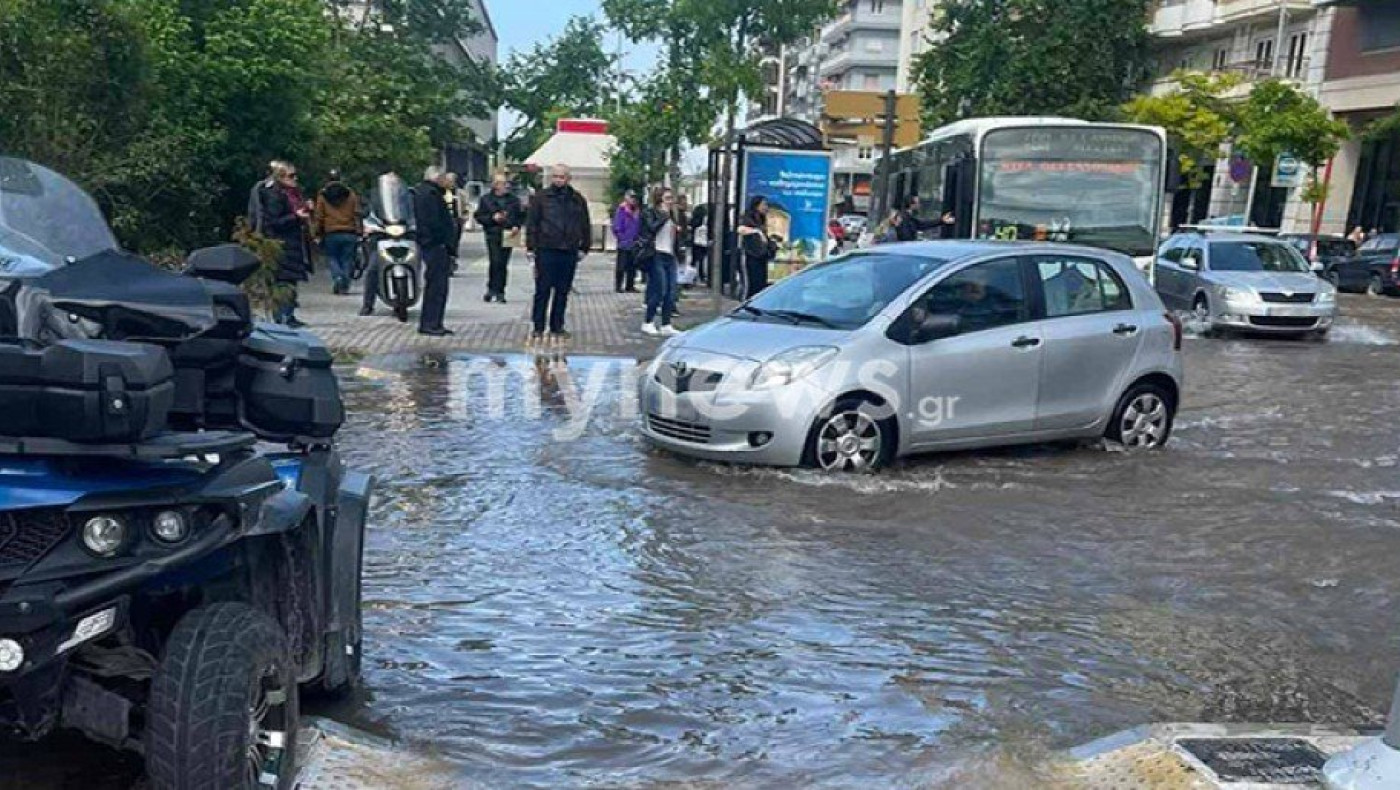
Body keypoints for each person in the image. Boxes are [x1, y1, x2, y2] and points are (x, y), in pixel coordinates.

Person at [526, 163, 591, 342]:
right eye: (555, 176)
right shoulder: (541, 198)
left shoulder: (577, 199)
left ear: (568, 178)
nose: (558, 180)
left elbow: (585, 224)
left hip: (569, 250)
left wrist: (585, 246)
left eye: (561, 177)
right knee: (542, 290)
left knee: (562, 291)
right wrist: (531, 247)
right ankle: (538, 326)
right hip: (546, 249)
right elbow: (532, 223)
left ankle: (557, 325)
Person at [262, 162, 311, 327]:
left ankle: (288, 315)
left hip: (292, 243)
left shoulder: (292, 194)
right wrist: (296, 216)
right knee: (282, 281)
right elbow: (274, 222)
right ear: (280, 177)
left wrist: (305, 210)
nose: (295, 179)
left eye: (295, 175)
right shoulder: (275, 196)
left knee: (290, 281)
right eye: (291, 176)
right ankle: (282, 316)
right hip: (281, 244)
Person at [413, 165, 456, 337]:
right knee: (437, 286)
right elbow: (434, 221)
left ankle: (434, 322)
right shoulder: (431, 195)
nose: (446, 181)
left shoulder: (422, 192)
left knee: (436, 285)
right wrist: (443, 241)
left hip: (431, 244)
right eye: (444, 178)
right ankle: (431, 323)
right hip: (435, 245)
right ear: (437, 178)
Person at [637, 187, 681, 336]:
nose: (670, 201)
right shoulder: (650, 213)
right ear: (659, 199)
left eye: (671, 198)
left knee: (671, 291)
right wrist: (664, 216)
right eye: (667, 198)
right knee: (659, 289)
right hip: (656, 253)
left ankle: (666, 324)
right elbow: (651, 228)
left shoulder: (673, 215)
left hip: (670, 254)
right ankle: (648, 321)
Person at [312, 169, 362, 295]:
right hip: (349, 231)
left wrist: (316, 232)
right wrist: (359, 231)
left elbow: (319, 215)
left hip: (331, 232)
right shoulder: (350, 194)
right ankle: (345, 283)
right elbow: (357, 213)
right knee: (347, 259)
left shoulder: (323, 196)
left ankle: (338, 277)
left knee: (332, 257)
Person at [475, 173, 524, 303]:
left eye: (506, 183)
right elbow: (479, 216)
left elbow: (521, 215)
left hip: (509, 233)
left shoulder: (514, 200)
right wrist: (492, 218)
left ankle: (500, 290)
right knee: (495, 261)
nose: (505, 186)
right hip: (493, 233)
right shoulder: (486, 199)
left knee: (503, 263)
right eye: (502, 183)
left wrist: (517, 226)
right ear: (495, 185)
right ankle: (492, 288)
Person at [738, 196, 775, 298]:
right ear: (757, 205)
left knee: (760, 284)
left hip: (761, 256)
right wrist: (757, 232)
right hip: (751, 255)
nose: (766, 207)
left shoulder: (762, 218)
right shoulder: (748, 216)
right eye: (764, 205)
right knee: (751, 284)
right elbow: (741, 229)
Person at [611, 190, 641, 293]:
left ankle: (630, 285)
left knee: (632, 266)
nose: (633, 199)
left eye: (634, 197)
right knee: (621, 266)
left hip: (634, 242)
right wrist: (621, 237)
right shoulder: (621, 210)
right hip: (623, 243)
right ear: (626, 198)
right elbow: (616, 226)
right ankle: (618, 286)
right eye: (631, 197)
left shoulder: (637, 211)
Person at [443, 173, 465, 275]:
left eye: (452, 181)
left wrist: (464, 216)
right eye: (448, 180)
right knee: (446, 243)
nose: (450, 183)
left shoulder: (460, 193)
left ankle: (452, 261)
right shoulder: (440, 192)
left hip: (456, 220)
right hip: (444, 221)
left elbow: (466, 205)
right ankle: (447, 263)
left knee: (455, 242)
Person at [690, 202, 710, 285]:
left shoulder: (694, 220)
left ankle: (692, 277)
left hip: (696, 242)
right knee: (701, 260)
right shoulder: (704, 220)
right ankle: (701, 276)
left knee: (694, 260)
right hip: (703, 242)